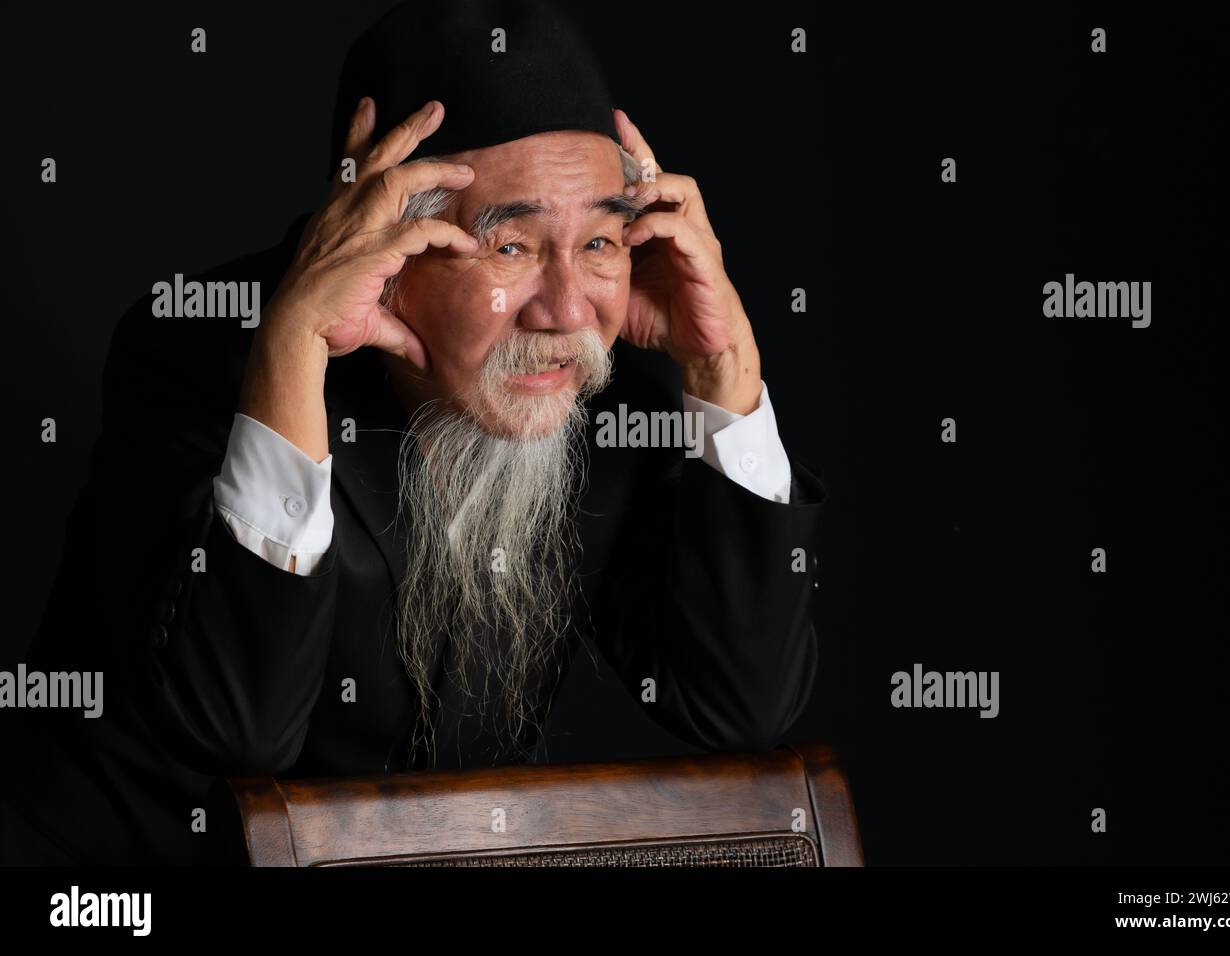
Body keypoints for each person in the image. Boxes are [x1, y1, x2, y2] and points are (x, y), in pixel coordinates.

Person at [0, 0, 825, 865]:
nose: (569, 309)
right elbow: (234, 732)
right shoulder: (197, 352)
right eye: (508, 247)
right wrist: (292, 349)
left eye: (601, 243)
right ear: (384, 238)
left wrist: (723, 370)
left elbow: (742, 707)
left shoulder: (598, 381)